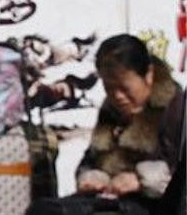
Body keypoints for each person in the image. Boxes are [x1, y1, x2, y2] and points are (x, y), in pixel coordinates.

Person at [77, 34, 183, 200]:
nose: (117, 96)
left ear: (148, 75)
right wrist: (94, 177)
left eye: (124, 87)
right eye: (109, 88)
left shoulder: (177, 111)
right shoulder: (110, 113)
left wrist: (142, 181)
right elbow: (90, 160)